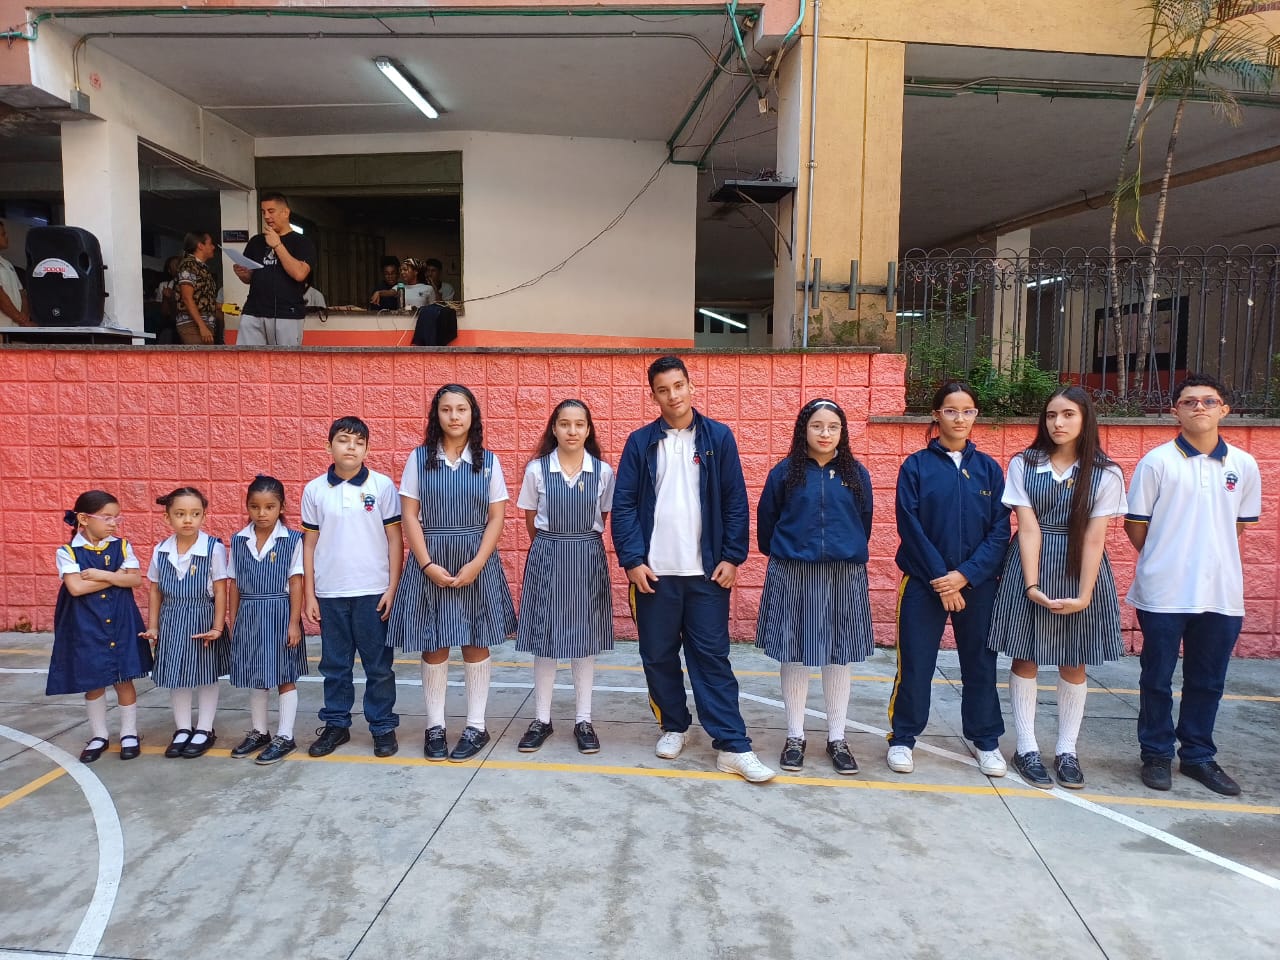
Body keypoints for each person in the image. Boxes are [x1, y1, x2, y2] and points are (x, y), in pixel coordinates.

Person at [611, 355, 775, 783]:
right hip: (654, 575)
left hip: (706, 574)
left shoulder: (718, 437)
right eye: (663, 389)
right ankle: (674, 725)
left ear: (691, 386)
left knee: (712, 658)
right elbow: (623, 505)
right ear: (653, 395)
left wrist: (732, 557)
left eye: (678, 386)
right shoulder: (640, 442)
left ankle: (733, 745)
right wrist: (633, 560)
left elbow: (735, 500)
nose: (673, 395)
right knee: (658, 656)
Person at [1125, 374, 1261, 796]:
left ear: (1225, 409)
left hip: (1221, 592)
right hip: (1163, 592)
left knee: (1208, 680)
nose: (1199, 407)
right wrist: (1167, 557)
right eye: (1189, 402)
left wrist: (1208, 558)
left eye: (1208, 401)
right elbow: (1136, 525)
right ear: (1175, 411)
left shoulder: (1243, 465)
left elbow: (1237, 526)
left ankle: (1198, 756)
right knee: (1157, 677)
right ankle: (1156, 754)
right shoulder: (1157, 462)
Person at [987, 386, 1127, 790]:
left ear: (1085, 419)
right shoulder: (1024, 463)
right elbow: (1028, 528)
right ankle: (1026, 747)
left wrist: (1085, 594)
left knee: (1073, 659)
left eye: (1068, 415)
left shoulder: (1106, 472)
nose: (1058, 423)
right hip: (1030, 564)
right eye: (1051, 415)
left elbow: (1095, 538)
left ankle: (1067, 749)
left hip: (1080, 567)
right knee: (1025, 656)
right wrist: (1031, 584)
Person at [386, 384, 516, 762]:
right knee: (435, 642)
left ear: (472, 414)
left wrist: (477, 563)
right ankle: (435, 726)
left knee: (476, 641)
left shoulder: (488, 461)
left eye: (461, 409)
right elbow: (410, 515)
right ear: (436, 415)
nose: (454, 416)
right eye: (446, 409)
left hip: (476, 560)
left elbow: (496, 517)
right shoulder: (418, 459)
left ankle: (476, 725)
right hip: (432, 560)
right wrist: (426, 564)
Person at [888, 382, 1011, 777]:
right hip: (924, 582)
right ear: (936, 415)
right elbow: (910, 526)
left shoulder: (989, 469)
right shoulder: (916, 467)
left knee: (980, 663)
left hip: (977, 584)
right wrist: (942, 578)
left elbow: (1000, 531)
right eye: (951, 410)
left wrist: (965, 576)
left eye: (967, 411)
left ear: (976, 416)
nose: (960, 418)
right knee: (915, 663)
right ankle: (903, 738)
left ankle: (986, 740)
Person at [756, 398, 874, 775]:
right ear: (803, 429)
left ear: (843, 432)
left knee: (838, 653)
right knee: (794, 650)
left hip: (842, 573)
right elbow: (767, 522)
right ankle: (795, 736)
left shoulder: (856, 474)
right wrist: (792, 551)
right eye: (817, 426)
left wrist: (842, 548)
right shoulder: (784, 473)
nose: (825, 433)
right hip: (794, 570)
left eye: (833, 427)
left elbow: (864, 522)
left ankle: (837, 738)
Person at [514, 399, 616, 754]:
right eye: (564, 424)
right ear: (553, 429)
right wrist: (554, 546)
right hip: (549, 553)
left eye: (579, 424)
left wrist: (575, 542)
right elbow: (531, 521)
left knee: (583, 638)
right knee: (546, 637)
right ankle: (541, 719)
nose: (572, 431)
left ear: (588, 430)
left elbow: (603, 517)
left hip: (587, 555)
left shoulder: (602, 472)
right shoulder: (537, 470)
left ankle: (583, 720)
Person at [301, 417, 403, 759]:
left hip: (373, 590)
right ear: (329, 446)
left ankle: (382, 726)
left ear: (367, 449)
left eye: (359, 442)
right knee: (335, 665)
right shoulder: (315, 490)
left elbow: (394, 538)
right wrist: (310, 594)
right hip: (330, 592)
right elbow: (309, 544)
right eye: (344, 440)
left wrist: (392, 587)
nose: (351, 447)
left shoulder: (382, 486)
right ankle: (336, 724)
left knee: (378, 666)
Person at [48, 491, 151, 763]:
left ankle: (129, 733)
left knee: (123, 678)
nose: (113, 523)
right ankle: (99, 735)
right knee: (93, 681)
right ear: (84, 519)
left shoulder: (122, 546)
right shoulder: (68, 552)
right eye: (107, 518)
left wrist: (101, 575)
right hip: (86, 624)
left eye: (116, 518)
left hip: (120, 621)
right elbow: (76, 587)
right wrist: (116, 577)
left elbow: (135, 580)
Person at [141, 487, 231, 760]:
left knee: (205, 674)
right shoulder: (161, 550)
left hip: (203, 617)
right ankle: (182, 728)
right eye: (180, 514)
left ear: (204, 515)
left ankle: (204, 728)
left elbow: (220, 590)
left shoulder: (213, 548)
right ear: (167, 517)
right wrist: (153, 625)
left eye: (195, 513)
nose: (188, 520)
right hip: (171, 619)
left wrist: (217, 627)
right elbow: (155, 591)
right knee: (177, 675)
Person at [227, 475, 307, 766]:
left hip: (279, 612)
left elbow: (296, 583)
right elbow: (234, 583)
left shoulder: (292, 540)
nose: (262, 513)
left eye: (269, 507)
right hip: (249, 613)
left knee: (284, 675)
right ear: (247, 506)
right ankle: (260, 731)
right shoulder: (239, 541)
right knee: (256, 674)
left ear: (281, 507)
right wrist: (234, 620)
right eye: (255, 507)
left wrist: (294, 623)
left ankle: (285, 735)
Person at [232, 192, 317, 346]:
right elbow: (250, 278)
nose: (267, 216)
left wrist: (277, 245)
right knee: (247, 358)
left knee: (285, 359)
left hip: (287, 313)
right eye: (263, 212)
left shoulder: (302, 242)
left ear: (285, 212)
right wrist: (243, 274)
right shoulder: (256, 241)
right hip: (253, 311)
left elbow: (299, 274)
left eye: (271, 211)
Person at [175, 231, 219, 345]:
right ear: (200, 246)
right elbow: (187, 298)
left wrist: (223, 307)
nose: (213, 247)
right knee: (199, 356)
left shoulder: (201, 267)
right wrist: (202, 326)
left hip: (204, 324)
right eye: (210, 244)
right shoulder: (189, 265)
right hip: (192, 325)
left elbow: (202, 299)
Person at [0, 219, 32, 326]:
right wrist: (23, 321)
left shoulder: (7, 263)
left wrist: (23, 320)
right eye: (3, 234)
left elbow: (22, 293)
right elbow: (1, 297)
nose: (7, 237)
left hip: (15, 328)